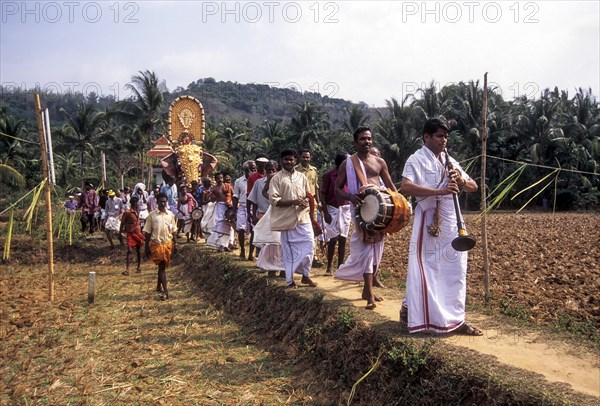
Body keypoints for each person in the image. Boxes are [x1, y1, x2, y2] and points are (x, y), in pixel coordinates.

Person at [400, 118, 481, 335]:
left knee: (455, 270)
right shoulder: (416, 159)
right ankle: (416, 313)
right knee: (425, 268)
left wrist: (460, 181)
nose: (443, 140)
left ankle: (456, 319)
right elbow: (405, 186)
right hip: (428, 221)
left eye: (445, 136)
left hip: (453, 222)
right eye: (438, 136)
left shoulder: (450, 161)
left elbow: (474, 186)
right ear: (426, 137)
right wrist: (438, 191)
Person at [334, 127, 397, 309]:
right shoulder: (348, 163)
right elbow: (338, 188)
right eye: (362, 139)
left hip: (381, 211)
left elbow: (391, 187)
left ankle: (366, 289)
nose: (366, 142)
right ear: (355, 142)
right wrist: (350, 197)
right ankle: (369, 294)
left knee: (377, 250)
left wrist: (400, 206)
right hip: (361, 210)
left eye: (369, 139)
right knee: (368, 249)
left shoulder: (380, 162)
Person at [268, 149, 317, 288]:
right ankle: (290, 280)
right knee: (289, 252)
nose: (289, 162)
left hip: (303, 217)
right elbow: (274, 200)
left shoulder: (302, 177)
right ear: (281, 161)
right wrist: (293, 202)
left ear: (295, 161)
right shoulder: (276, 178)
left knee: (310, 245)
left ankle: (306, 275)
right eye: (286, 159)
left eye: (291, 159)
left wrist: (306, 201)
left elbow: (308, 194)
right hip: (287, 220)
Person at [320, 153, 352, 276]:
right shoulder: (328, 175)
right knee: (332, 239)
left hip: (345, 209)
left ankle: (340, 266)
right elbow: (323, 193)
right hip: (332, 208)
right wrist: (325, 212)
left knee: (343, 239)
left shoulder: (351, 175)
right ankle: (329, 266)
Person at [143, 192, 177, 300]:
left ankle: (158, 286)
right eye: (161, 202)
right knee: (162, 266)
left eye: (164, 201)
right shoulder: (152, 216)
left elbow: (173, 230)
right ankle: (165, 291)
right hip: (156, 244)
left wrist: (175, 244)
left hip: (167, 243)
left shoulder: (170, 215)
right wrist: (146, 247)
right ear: (157, 202)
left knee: (162, 266)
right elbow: (147, 232)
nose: (163, 203)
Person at [295, 149, 323, 268]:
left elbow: (316, 188)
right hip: (298, 203)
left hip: (312, 203)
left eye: (307, 157)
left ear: (310, 158)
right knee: (298, 229)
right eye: (303, 157)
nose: (305, 159)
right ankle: (299, 255)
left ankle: (314, 256)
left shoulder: (314, 171)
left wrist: (318, 201)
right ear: (300, 158)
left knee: (313, 228)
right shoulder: (295, 170)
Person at [246, 154, 269, 260]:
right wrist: (250, 213)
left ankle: (262, 256)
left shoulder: (270, 176)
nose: (262, 166)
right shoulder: (254, 178)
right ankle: (251, 253)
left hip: (270, 210)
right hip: (259, 208)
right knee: (256, 232)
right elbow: (250, 196)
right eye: (260, 164)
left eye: (265, 164)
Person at [233, 160, 256, 259]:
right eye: (253, 169)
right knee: (241, 229)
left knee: (254, 230)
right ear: (246, 170)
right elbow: (235, 196)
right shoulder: (239, 181)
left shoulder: (257, 180)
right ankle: (242, 251)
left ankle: (251, 253)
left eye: (255, 168)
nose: (255, 170)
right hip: (242, 206)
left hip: (254, 207)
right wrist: (234, 210)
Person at [206, 172, 233, 252]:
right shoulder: (214, 188)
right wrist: (210, 197)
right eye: (218, 178)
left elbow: (234, 195)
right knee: (220, 224)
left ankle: (226, 244)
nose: (220, 180)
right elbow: (209, 198)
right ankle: (221, 245)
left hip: (228, 207)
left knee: (229, 225)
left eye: (221, 178)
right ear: (215, 179)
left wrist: (232, 205)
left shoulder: (227, 186)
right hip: (219, 207)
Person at [120, 195, 144, 275]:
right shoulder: (127, 212)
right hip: (130, 233)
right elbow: (122, 223)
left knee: (139, 250)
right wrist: (120, 232)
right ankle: (127, 269)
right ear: (134, 203)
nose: (137, 204)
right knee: (129, 250)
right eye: (136, 203)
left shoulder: (138, 212)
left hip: (138, 233)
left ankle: (139, 267)